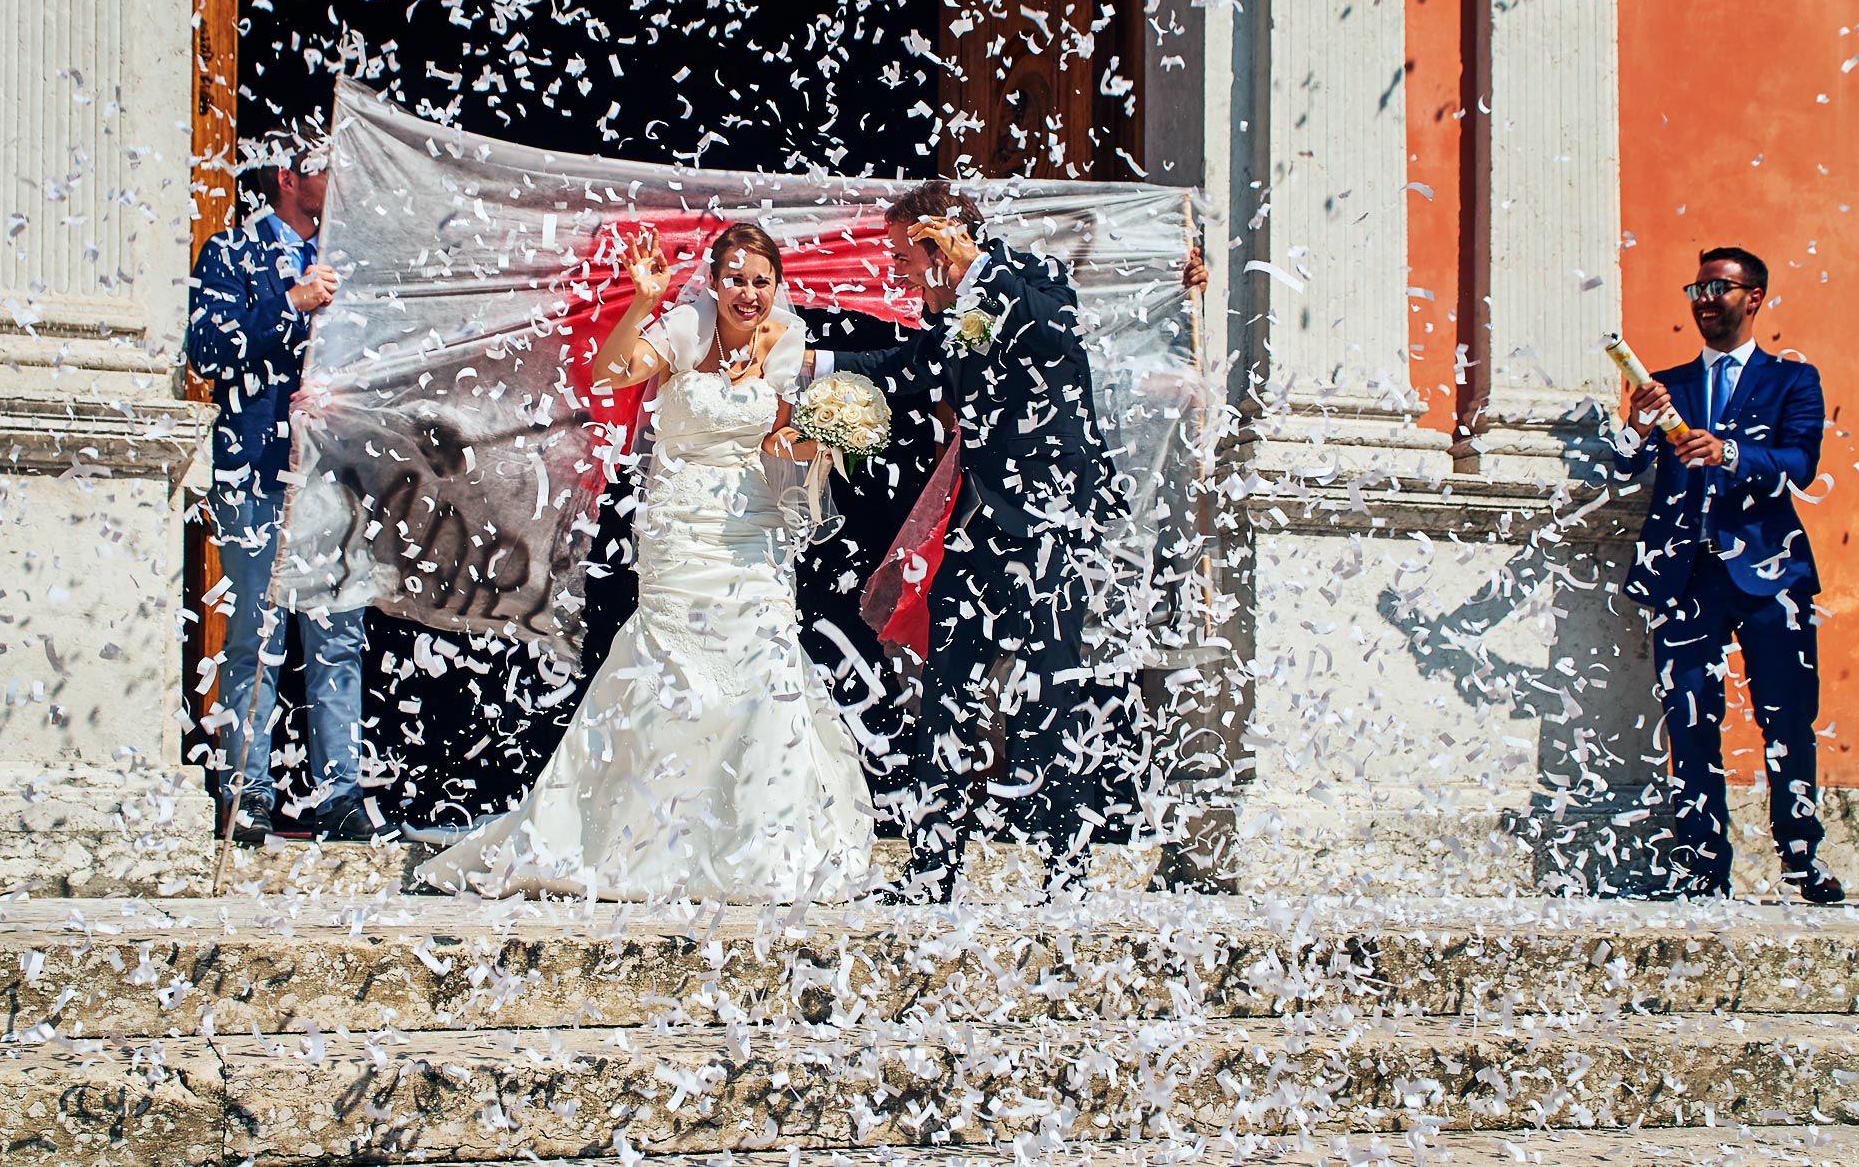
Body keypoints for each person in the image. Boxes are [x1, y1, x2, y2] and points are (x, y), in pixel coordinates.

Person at [416, 222, 876, 901]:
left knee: (766, 656)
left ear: (776, 286)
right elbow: (610, 372)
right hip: (680, 525)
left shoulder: (787, 340)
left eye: (761, 281)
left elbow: (778, 442)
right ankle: (641, 839)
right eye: (736, 278)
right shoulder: (686, 327)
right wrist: (643, 302)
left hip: (752, 526)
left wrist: (827, 440)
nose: (748, 293)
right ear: (714, 281)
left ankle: (760, 842)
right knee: (674, 667)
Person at [805, 181, 1208, 902]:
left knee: (1054, 694)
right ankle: (932, 873)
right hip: (976, 529)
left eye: (902, 253)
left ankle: (1066, 874)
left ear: (939, 240)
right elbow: (910, 369)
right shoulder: (949, 312)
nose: (894, 267)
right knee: (946, 691)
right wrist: (810, 364)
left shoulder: (1032, 279)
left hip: (1050, 528)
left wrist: (974, 271)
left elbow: (1057, 333)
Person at [1616, 246, 1842, 904]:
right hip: (1684, 577)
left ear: (1754, 297)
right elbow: (1625, 466)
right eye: (1698, 288)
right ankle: (1701, 862)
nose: (1706, 299)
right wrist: (1636, 424)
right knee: (1689, 720)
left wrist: (1731, 452)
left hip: (1772, 575)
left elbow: (1799, 462)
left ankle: (1800, 855)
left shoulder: (1793, 380)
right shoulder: (1668, 385)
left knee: (1788, 717)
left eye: (1719, 287)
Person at [188, 127, 383, 844]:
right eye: (326, 164)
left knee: (337, 636)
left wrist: (348, 396)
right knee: (254, 635)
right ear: (288, 177)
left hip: (334, 476)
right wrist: (290, 304)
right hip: (257, 471)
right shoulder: (230, 252)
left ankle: (339, 792)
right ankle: (248, 790)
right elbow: (208, 349)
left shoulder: (352, 265)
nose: (341, 177)